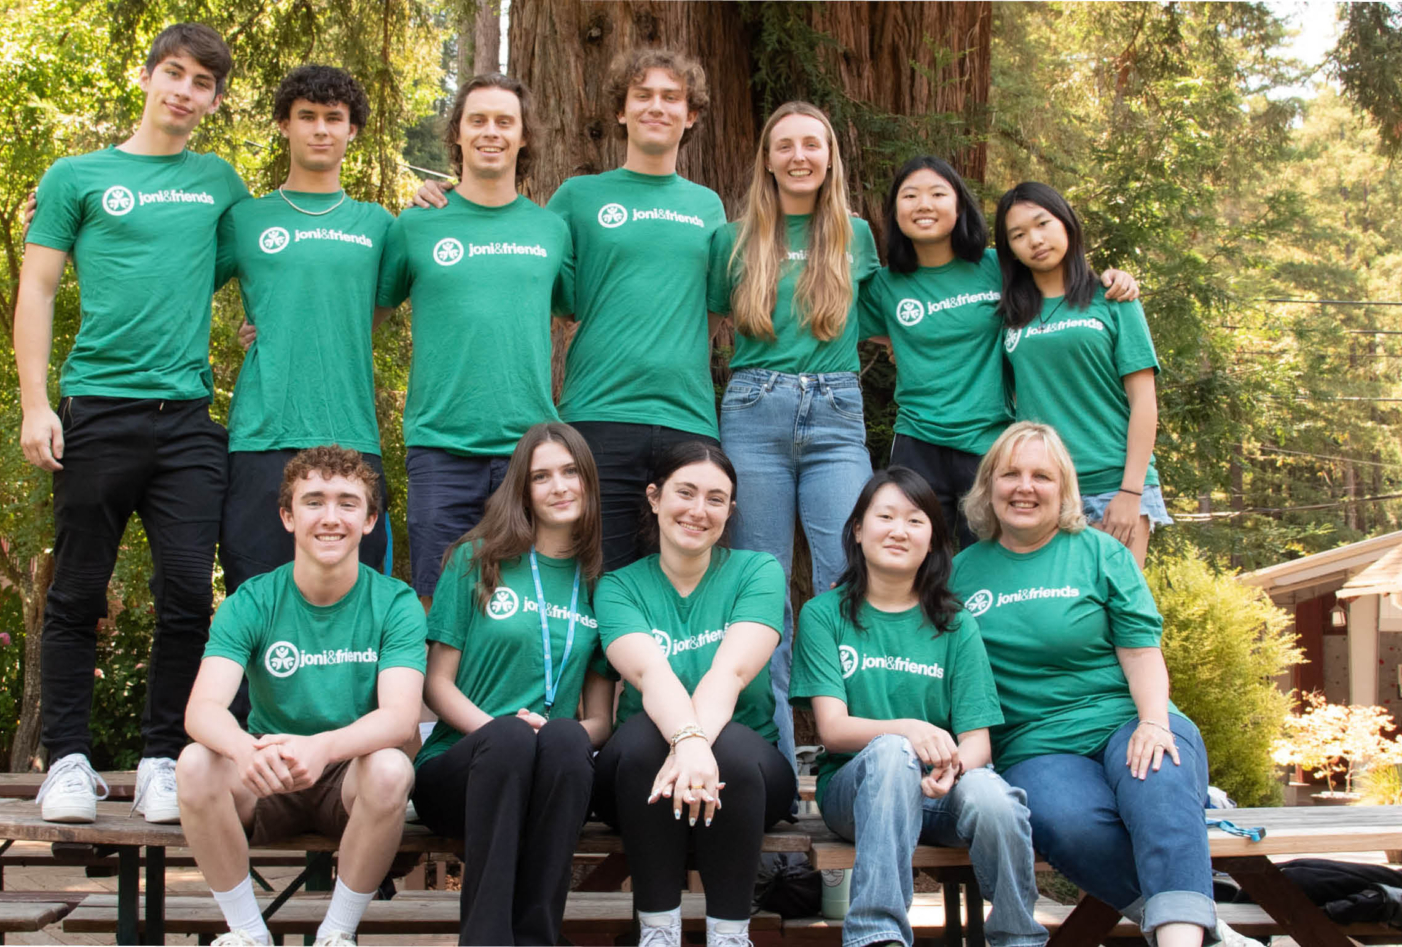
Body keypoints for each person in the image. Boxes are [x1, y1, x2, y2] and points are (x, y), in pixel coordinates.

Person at [14, 22, 246, 825]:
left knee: (187, 594)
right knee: (78, 592)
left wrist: (257, 321)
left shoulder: (219, 181)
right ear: (145, 77)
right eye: (173, 74)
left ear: (214, 102)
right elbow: (38, 289)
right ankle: (68, 760)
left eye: (202, 83)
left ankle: (160, 759)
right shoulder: (78, 177)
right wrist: (36, 403)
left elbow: (264, 257)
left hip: (186, 421)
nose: (185, 91)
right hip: (95, 410)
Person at [411, 49, 728, 571]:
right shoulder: (577, 198)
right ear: (620, 111)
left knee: (686, 574)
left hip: (688, 418)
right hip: (595, 415)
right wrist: (449, 200)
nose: (657, 106)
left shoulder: (708, 206)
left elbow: (713, 311)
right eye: (642, 95)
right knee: (597, 575)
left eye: (672, 98)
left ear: (690, 115)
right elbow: (526, 270)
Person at [952, 423, 1223, 947]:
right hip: (1037, 744)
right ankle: (1196, 926)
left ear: (1065, 489)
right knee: (1070, 823)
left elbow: (1142, 651)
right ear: (988, 486)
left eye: (1041, 476)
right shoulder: (960, 574)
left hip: (1127, 717)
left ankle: (1182, 940)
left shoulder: (1101, 553)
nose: (1024, 487)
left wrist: (1152, 721)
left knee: (1159, 780)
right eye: (1010, 474)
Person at [175, 447, 427, 947]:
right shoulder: (252, 600)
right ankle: (247, 933)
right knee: (194, 763)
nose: (330, 518)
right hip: (268, 767)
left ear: (371, 519)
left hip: (349, 776)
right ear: (288, 516)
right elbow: (202, 709)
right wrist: (245, 750)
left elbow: (400, 719)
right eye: (313, 502)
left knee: (392, 768)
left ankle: (337, 934)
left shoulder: (395, 602)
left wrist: (325, 748)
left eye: (347, 503)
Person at [795, 467, 1042, 947]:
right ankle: (877, 934)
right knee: (890, 752)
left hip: (938, 791)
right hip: (857, 792)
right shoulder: (825, 615)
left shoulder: (954, 624)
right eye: (884, 516)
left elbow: (978, 742)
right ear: (858, 530)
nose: (898, 530)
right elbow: (832, 729)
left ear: (932, 540)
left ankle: (1019, 937)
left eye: (915, 520)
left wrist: (951, 771)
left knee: (994, 797)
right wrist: (909, 729)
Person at [706, 99, 877, 767]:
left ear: (830, 155)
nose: (800, 155)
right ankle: (772, 760)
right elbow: (693, 317)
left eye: (813, 143)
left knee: (850, 581)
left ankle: (859, 755)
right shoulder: (732, 238)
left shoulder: (857, 235)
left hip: (837, 415)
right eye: (786, 145)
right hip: (753, 409)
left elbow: (910, 315)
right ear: (768, 158)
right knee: (762, 588)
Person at [858, 157, 1138, 547]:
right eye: (910, 196)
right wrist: (900, 341)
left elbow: (1057, 280)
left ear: (959, 206)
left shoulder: (997, 266)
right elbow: (835, 322)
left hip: (991, 445)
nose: (924, 204)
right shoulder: (885, 285)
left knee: (994, 558)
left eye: (938, 194)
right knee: (917, 564)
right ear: (895, 211)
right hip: (918, 442)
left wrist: (1112, 277)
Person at [411, 421, 615, 945]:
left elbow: (599, 719)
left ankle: (535, 937)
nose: (559, 486)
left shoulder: (599, 585)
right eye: (541, 476)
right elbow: (437, 685)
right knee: (509, 741)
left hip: (551, 769)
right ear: (522, 489)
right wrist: (504, 733)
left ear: (589, 482)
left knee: (570, 739)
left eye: (571, 472)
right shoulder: (476, 559)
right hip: (463, 766)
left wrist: (545, 737)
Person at [377, 73, 573, 601]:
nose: (492, 132)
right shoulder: (415, 225)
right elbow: (366, 316)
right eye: (478, 120)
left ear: (524, 136)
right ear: (457, 135)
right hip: (441, 445)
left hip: (528, 451)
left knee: (527, 608)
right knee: (439, 604)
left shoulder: (550, 230)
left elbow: (580, 308)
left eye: (504, 121)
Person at [593, 441, 795, 947]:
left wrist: (694, 747)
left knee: (731, 748)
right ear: (654, 498)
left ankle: (730, 935)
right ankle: (658, 932)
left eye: (716, 499)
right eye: (685, 493)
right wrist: (687, 743)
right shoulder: (618, 587)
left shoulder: (758, 572)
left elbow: (730, 673)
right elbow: (649, 674)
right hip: (642, 784)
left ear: (730, 511)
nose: (698, 511)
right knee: (641, 741)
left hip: (745, 780)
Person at [215, 65, 396, 595]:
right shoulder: (245, 220)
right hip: (262, 436)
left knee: (359, 605)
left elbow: (374, 309)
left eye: (334, 118)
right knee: (256, 597)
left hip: (352, 435)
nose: (321, 129)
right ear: (284, 125)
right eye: (307, 117)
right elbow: (175, 272)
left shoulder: (380, 226)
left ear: (352, 130)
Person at [993, 182, 1170, 565]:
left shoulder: (1112, 299)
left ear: (1067, 224)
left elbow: (1144, 401)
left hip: (1112, 486)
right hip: (1040, 490)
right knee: (1051, 617)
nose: (1035, 240)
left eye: (1042, 224)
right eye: (1018, 235)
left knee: (1115, 614)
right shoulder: (1009, 316)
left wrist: (1131, 492)